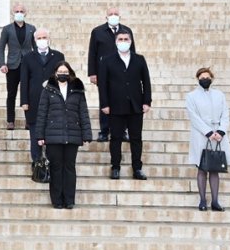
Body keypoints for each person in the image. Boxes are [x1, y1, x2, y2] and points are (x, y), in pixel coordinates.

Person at [35, 61, 92, 209]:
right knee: (56, 168)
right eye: (60, 71)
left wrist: (87, 134)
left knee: (69, 168)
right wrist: (40, 136)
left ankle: (69, 200)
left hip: (72, 135)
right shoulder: (48, 89)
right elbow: (42, 113)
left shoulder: (77, 90)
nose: (62, 74)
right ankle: (57, 200)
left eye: (65, 72)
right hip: (53, 136)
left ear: (70, 73)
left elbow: (83, 113)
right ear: (55, 73)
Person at [98, 29, 151, 180]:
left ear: (131, 41)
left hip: (135, 105)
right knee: (115, 138)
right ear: (115, 42)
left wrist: (147, 101)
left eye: (126, 39)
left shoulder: (139, 59)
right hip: (115, 106)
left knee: (136, 138)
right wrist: (104, 104)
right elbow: (103, 85)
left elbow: (146, 82)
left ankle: (137, 168)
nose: (123, 42)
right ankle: (115, 167)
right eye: (120, 39)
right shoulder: (107, 60)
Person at [185, 67, 230, 211]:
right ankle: (202, 200)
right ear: (198, 79)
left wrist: (221, 131)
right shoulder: (191, 96)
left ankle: (215, 201)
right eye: (201, 77)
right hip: (201, 135)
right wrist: (207, 132)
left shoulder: (219, 95)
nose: (204, 79)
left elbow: (225, 114)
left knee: (214, 169)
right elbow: (193, 116)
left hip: (218, 136)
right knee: (202, 168)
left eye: (207, 77)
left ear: (211, 78)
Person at [88, 6, 136, 142]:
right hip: (103, 73)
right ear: (106, 17)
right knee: (104, 101)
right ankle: (104, 131)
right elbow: (92, 53)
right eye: (111, 14)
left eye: (116, 14)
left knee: (124, 101)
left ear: (120, 16)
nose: (113, 15)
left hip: (123, 73)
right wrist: (92, 73)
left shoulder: (127, 31)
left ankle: (123, 131)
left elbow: (133, 52)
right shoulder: (97, 32)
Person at [20, 28, 65, 164]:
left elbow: (63, 78)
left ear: (49, 38)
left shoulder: (58, 56)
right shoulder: (28, 57)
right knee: (35, 134)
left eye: (44, 37)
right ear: (35, 40)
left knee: (52, 134)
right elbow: (24, 80)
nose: (42, 40)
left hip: (53, 101)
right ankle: (37, 161)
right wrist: (24, 101)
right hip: (34, 102)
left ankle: (52, 161)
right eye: (39, 38)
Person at [0, 3, 36, 130]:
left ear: (25, 13)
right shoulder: (7, 29)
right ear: (13, 13)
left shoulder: (31, 28)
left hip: (28, 64)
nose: (19, 13)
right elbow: (1, 47)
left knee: (28, 93)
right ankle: (10, 121)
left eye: (21, 11)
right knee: (11, 94)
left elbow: (35, 47)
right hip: (12, 65)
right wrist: (2, 63)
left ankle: (29, 121)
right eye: (17, 11)